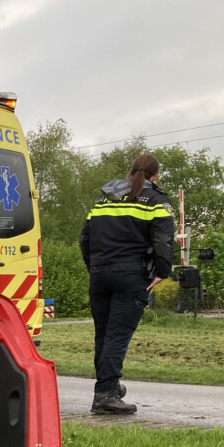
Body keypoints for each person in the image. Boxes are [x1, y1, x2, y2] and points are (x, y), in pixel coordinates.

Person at [79, 153, 174, 414]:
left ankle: (109, 384)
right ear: (155, 176)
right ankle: (105, 395)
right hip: (131, 274)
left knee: (104, 334)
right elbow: (163, 240)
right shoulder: (156, 200)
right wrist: (162, 272)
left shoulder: (104, 198)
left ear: (130, 172)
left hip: (99, 273)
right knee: (117, 337)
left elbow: (85, 237)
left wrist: (94, 267)